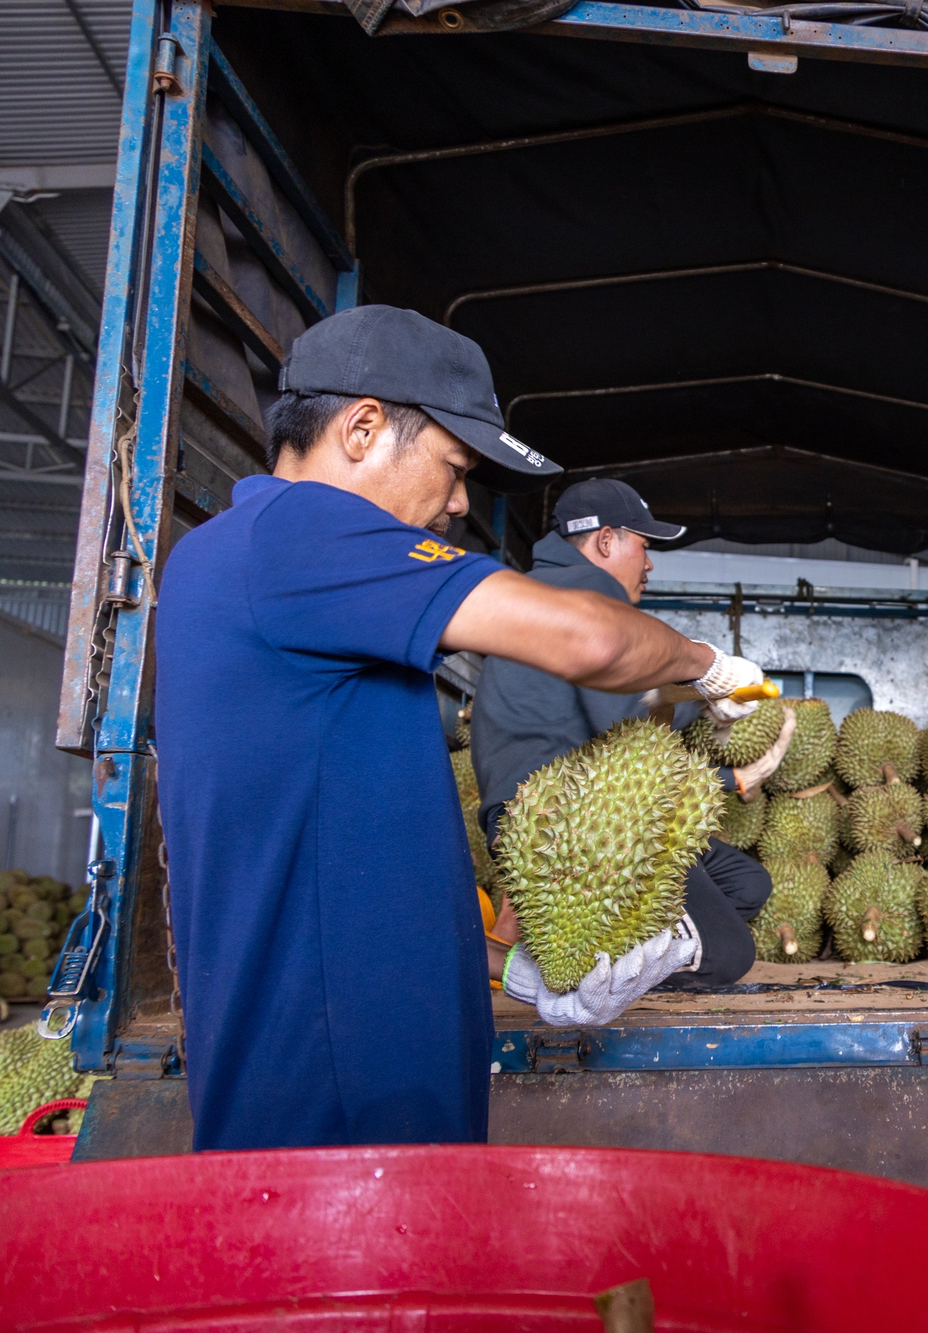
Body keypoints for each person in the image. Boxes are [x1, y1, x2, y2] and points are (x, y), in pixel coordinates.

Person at [154, 305, 767, 1151]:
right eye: (450, 466)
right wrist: (707, 666)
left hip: (354, 1087)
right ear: (362, 429)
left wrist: (506, 969)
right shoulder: (297, 532)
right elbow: (588, 638)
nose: (455, 502)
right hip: (336, 1121)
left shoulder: (268, 570)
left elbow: (342, 862)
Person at [471, 478, 791, 1005]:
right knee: (726, 953)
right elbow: (630, 736)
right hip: (568, 829)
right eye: (643, 545)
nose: (649, 564)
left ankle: (582, 948)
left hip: (585, 811)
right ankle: (545, 966)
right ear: (605, 541)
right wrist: (726, 766)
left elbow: (625, 717)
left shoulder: (544, 592)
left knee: (746, 884)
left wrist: (701, 696)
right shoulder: (590, 598)